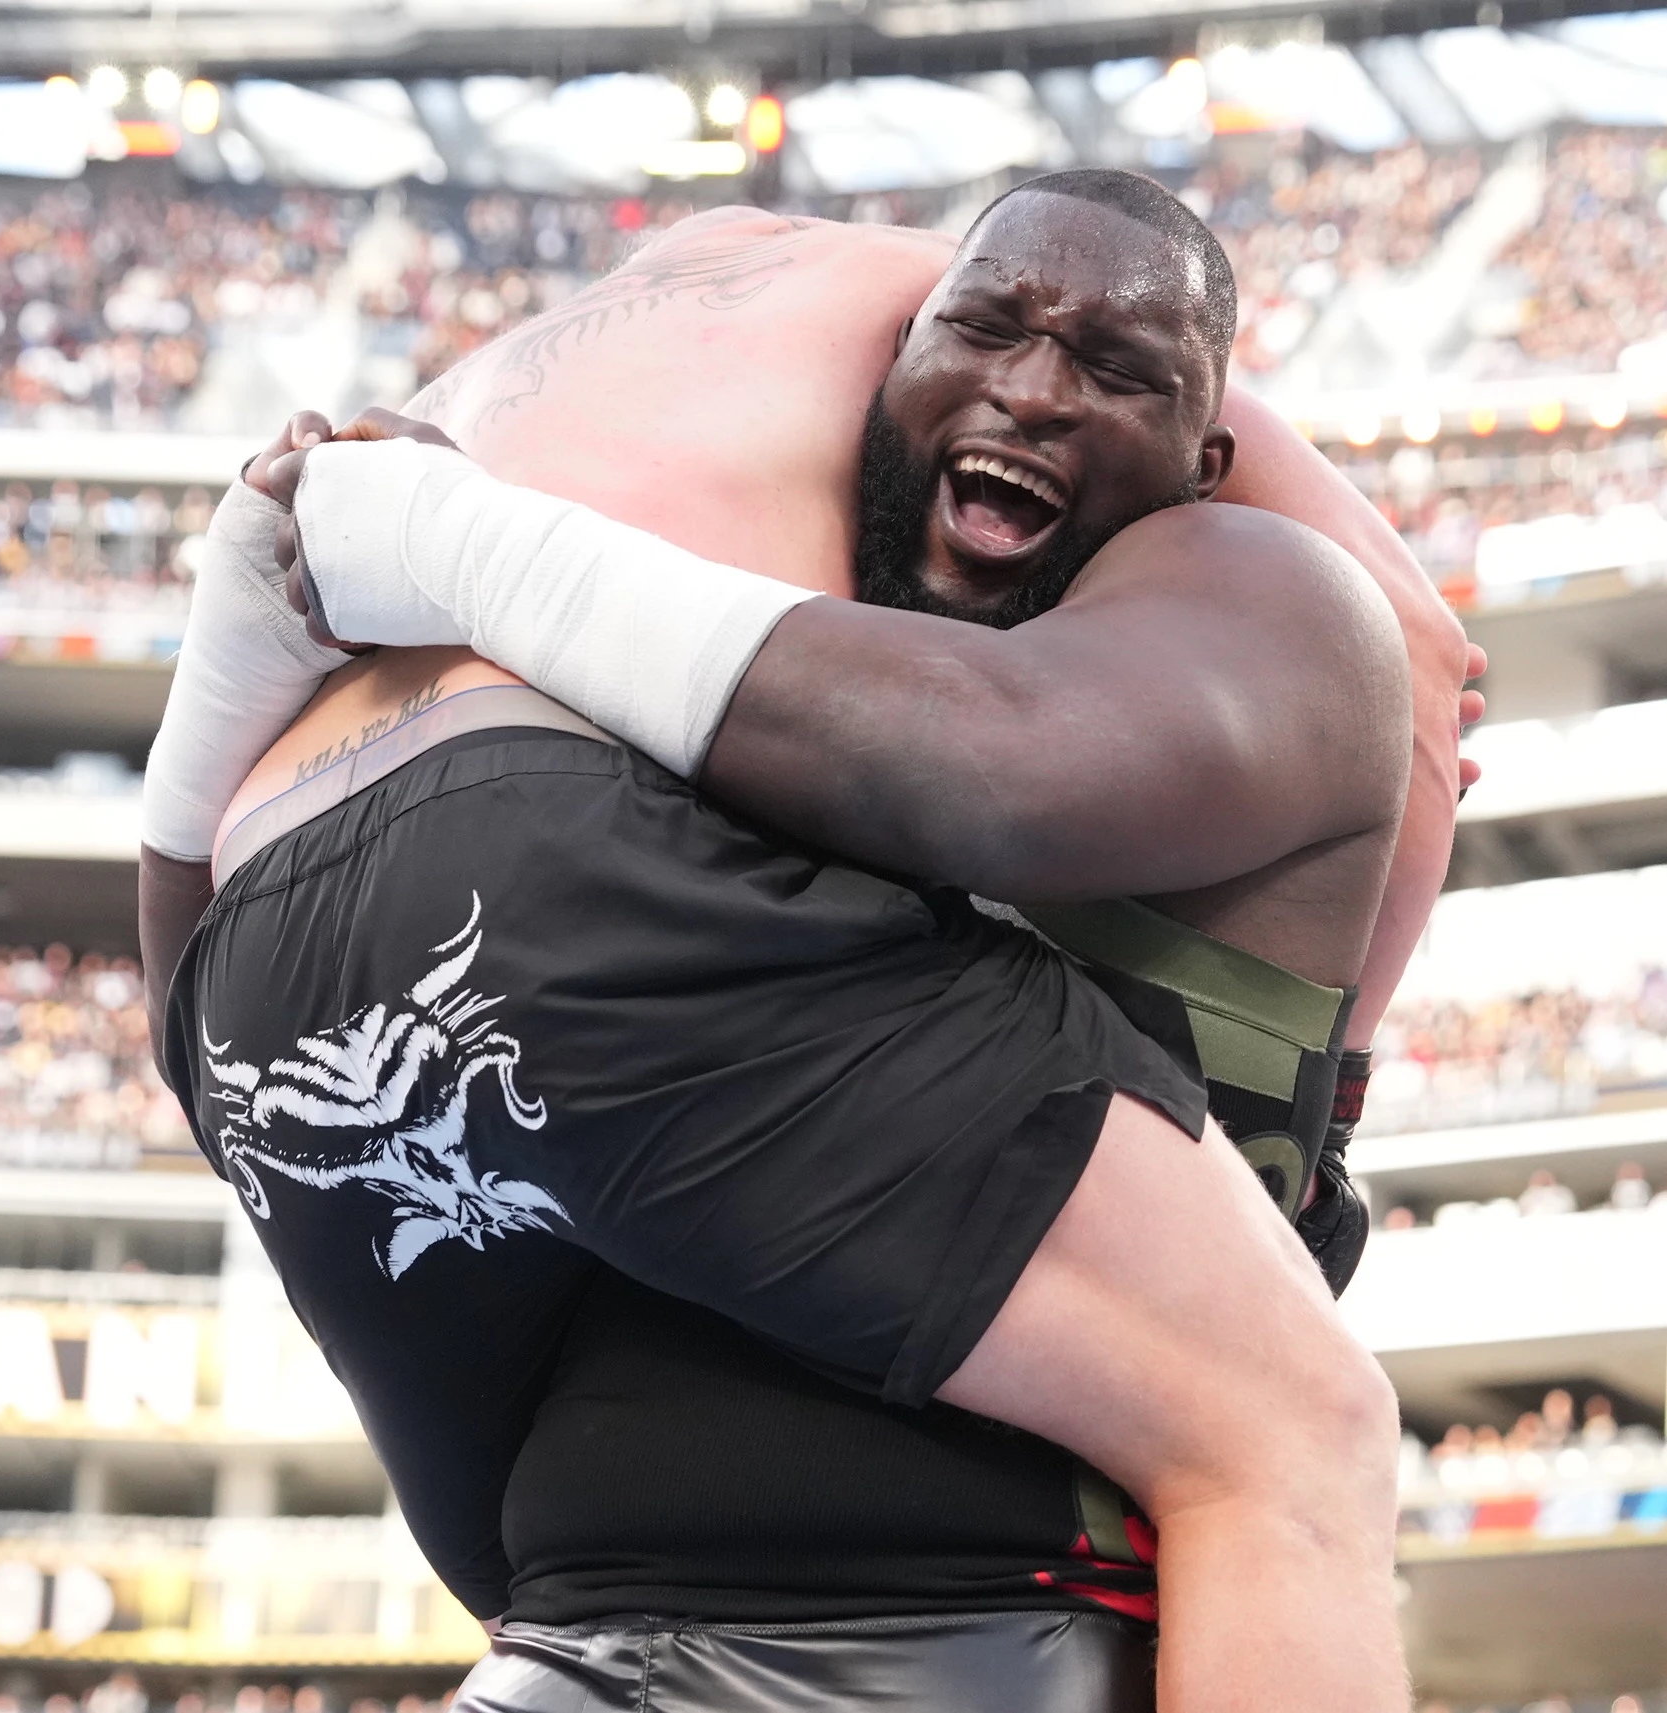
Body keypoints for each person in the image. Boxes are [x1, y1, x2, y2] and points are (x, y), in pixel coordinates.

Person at [147, 174, 1467, 1713]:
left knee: (1303, 1429)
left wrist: (431, 548)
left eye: (1119, 373)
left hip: (806, 1618)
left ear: (1207, 460)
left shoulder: (1260, 591)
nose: (1035, 393)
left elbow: (1005, 766)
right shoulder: (800, 792)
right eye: (983, 331)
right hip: (641, 1612)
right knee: (1290, 1427)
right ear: (889, 368)